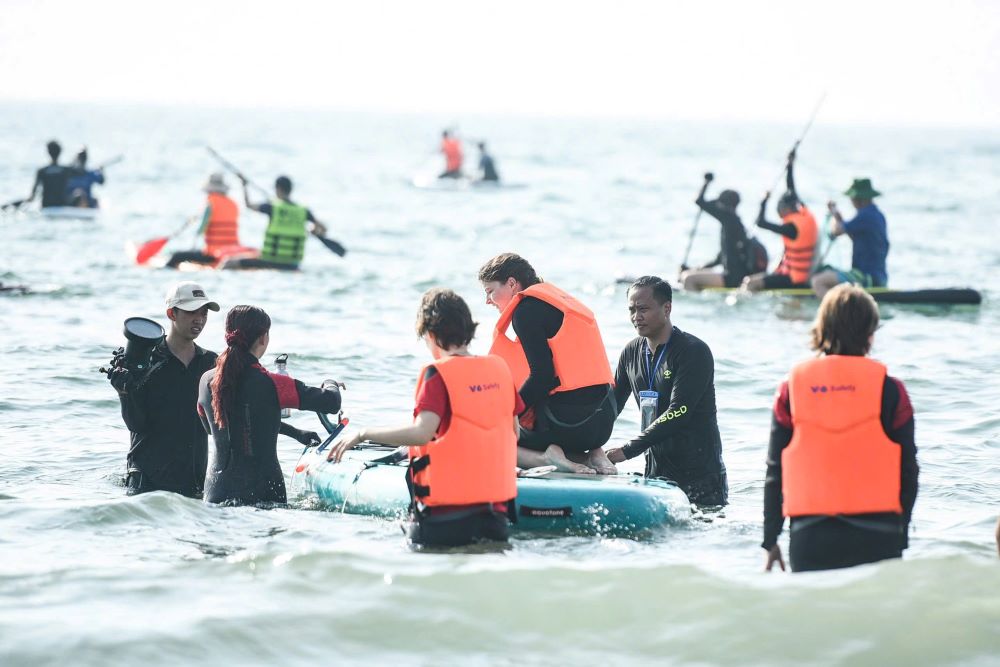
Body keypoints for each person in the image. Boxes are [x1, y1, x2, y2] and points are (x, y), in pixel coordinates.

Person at [327, 288, 519, 548]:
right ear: (468, 328)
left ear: (430, 334)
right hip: (494, 518)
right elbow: (513, 433)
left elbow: (422, 433)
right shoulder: (500, 369)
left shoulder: (437, 374)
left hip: (444, 522)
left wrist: (363, 434)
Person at [762, 284, 918, 573]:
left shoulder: (790, 389)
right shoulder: (892, 390)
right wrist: (901, 535)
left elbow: (775, 471)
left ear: (822, 327)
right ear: (870, 334)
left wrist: (770, 540)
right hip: (879, 535)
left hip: (811, 537)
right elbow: (909, 470)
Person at [479, 253, 618, 475]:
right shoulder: (562, 302)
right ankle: (592, 455)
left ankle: (547, 458)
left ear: (512, 284)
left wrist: (509, 413)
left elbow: (542, 376)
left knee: (493, 435)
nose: (487, 300)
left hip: (570, 423)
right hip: (602, 423)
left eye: (490, 291)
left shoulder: (525, 312)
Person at [198, 305, 342, 505]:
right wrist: (330, 383)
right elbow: (331, 402)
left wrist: (296, 433)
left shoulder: (206, 380)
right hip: (264, 493)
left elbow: (214, 428)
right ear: (263, 338)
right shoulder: (273, 383)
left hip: (216, 493)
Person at [605, 276, 729, 506]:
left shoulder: (693, 352)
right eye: (631, 310)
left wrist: (627, 450)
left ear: (667, 308)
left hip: (700, 479)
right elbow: (610, 407)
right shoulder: (631, 353)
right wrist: (583, 443)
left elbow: (679, 411)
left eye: (643, 309)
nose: (636, 317)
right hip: (656, 475)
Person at [105, 282, 221, 497]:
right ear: (172, 313)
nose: (200, 319)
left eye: (204, 313)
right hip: (146, 484)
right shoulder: (146, 360)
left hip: (194, 482)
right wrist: (124, 394)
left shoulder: (210, 362)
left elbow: (222, 421)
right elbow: (136, 423)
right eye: (191, 312)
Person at [742, 149, 818, 292]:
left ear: (787, 208)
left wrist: (763, 202)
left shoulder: (791, 228)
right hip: (798, 273)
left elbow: (761, 222)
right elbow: (791, 189)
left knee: (750, 282)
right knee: (767, 276)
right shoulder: (805, 214)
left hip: (793, 279)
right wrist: (790, 166)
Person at [810, 178, 889, 299]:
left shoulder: (865, 215)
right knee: (828, 272)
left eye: (852, 198)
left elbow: (836, 231)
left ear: (859, 199)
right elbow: (850, 231)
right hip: (879, 277)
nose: (851, 201)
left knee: (818, 282)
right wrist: (836, 215)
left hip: (866, 277)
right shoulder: (877, 215)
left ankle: (836, 311)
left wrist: (834, 214)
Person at [680, 173, 754, 291]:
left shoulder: (728, 219)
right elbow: (720, 258)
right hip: (736, 275)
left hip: (732, 278)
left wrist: (706, 182)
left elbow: (699, 201)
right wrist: (698, 269)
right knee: (690, 273)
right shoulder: (736, 223)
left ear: (724, 205)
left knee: (688, 278)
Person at [240, 175, 328, 270]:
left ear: (278, 189)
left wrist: (244, 185)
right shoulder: (303, 211)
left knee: (229, 263)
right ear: (290, 190)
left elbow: (248, 205)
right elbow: (323, 229)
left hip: (270, 261)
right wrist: (313, 231)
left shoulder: (272, 207)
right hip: (293, 265)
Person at [165, 173, 245, 268]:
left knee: (177, 256)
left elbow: (202, 229)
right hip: (233, 250)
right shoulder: (233, 204)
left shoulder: (211, 203)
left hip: (214, 254)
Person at [24, 141, 73, 209]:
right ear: (60, 152)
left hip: (46, 205)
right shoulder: (67, 170)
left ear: (48, 153)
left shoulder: (41, 171)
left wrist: (29, 199)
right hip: (62, 205)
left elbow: (33, 196)